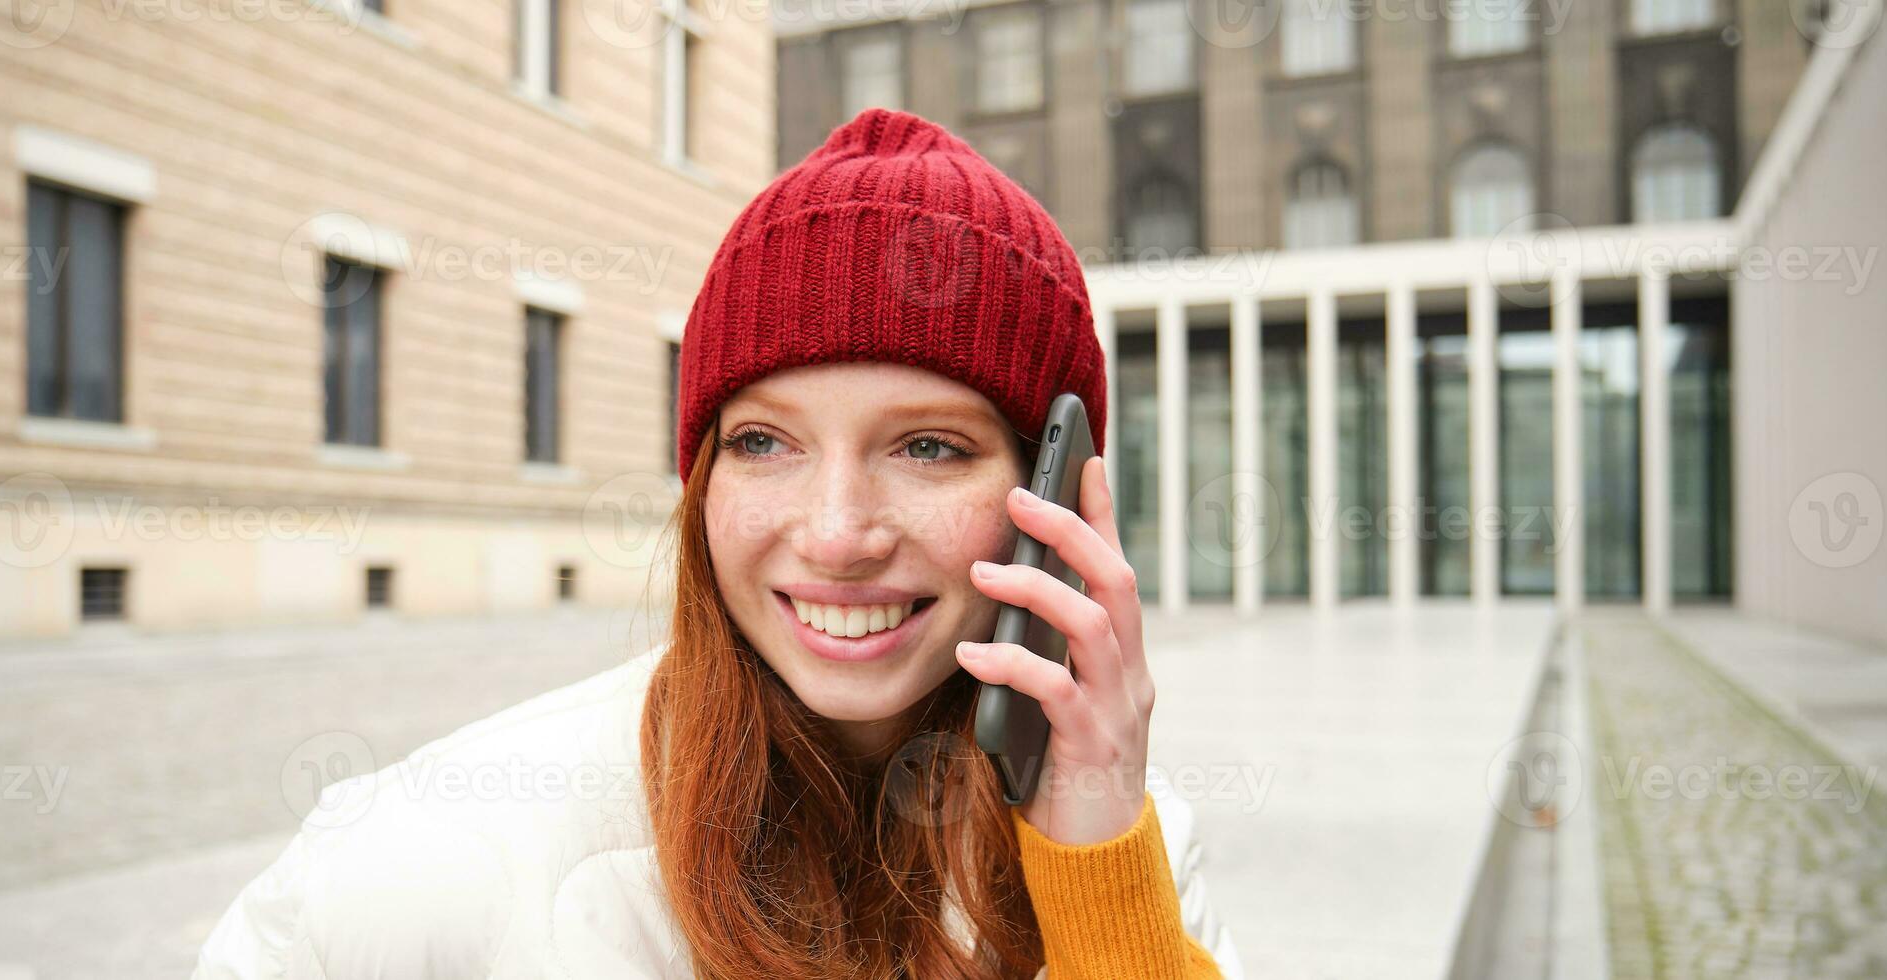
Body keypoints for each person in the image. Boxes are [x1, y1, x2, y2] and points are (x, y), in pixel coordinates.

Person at [195, 107, 1241, 979]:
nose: (835, 534)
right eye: (762, 441)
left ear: (1054, 493)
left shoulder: (1125, 845)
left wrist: (1097, 871)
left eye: (927, 446)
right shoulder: (420, 858)